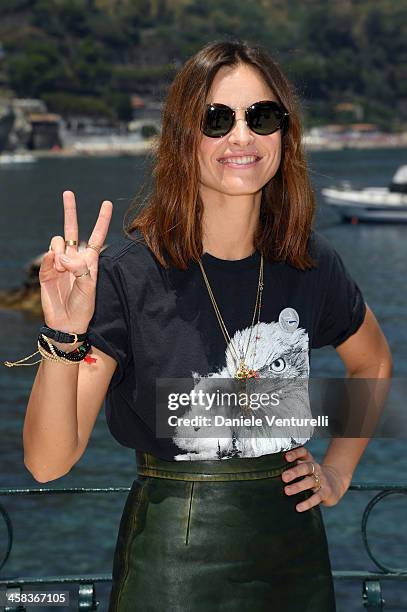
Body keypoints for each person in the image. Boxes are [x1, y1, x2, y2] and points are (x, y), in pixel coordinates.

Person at [16, 40, 392, 611]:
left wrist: (337, 472)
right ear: (182, 140)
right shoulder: (129, 278)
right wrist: (65, 334)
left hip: (296, 564)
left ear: (283, 135)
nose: (241, 137)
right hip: (171, 569)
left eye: (261, 117)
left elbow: (374, 361)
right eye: (216, 120)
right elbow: (48, 462)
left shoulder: (308, 264)